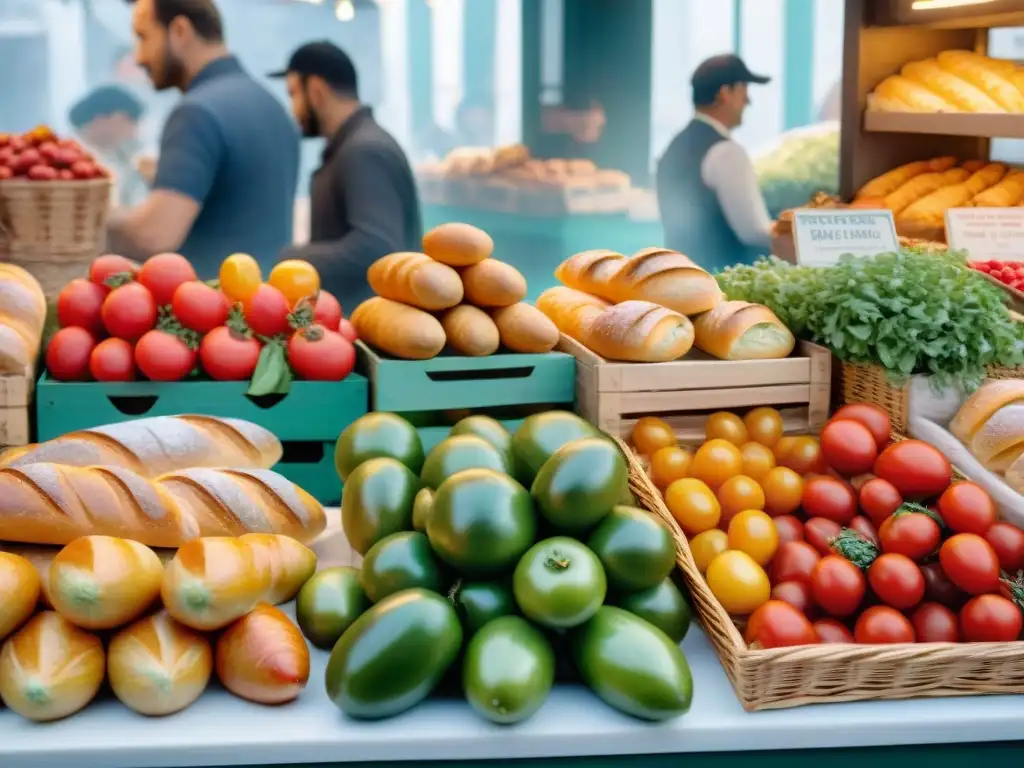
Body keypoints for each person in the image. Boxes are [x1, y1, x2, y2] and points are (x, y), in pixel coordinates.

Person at [106, 0, 299, 277]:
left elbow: (153, 236)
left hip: (212, 309)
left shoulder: (196, 112)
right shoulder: (270, 104)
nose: (138, 57)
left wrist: (96, 221)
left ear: (180, 30)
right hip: (265, 304)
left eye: (143, 37)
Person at [270, 41, 421, 313]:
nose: (293, 109)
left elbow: (375, 248)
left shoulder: (364, 151)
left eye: (293, 94)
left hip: (370, 332)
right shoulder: (355, 146)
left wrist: (289, 260)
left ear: (316, 91)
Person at [656, 54, 774, 272]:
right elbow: (755, 231)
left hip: (678, 275)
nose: (748, 101)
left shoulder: (673, 148)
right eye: (744, 91)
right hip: (722, 285)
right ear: (725, 93)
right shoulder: (726, 153)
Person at [68, 85, 149, 207]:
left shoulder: (119, 158)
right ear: (101, 118)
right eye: (129, 120)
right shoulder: (70, 155)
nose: (134, 130)